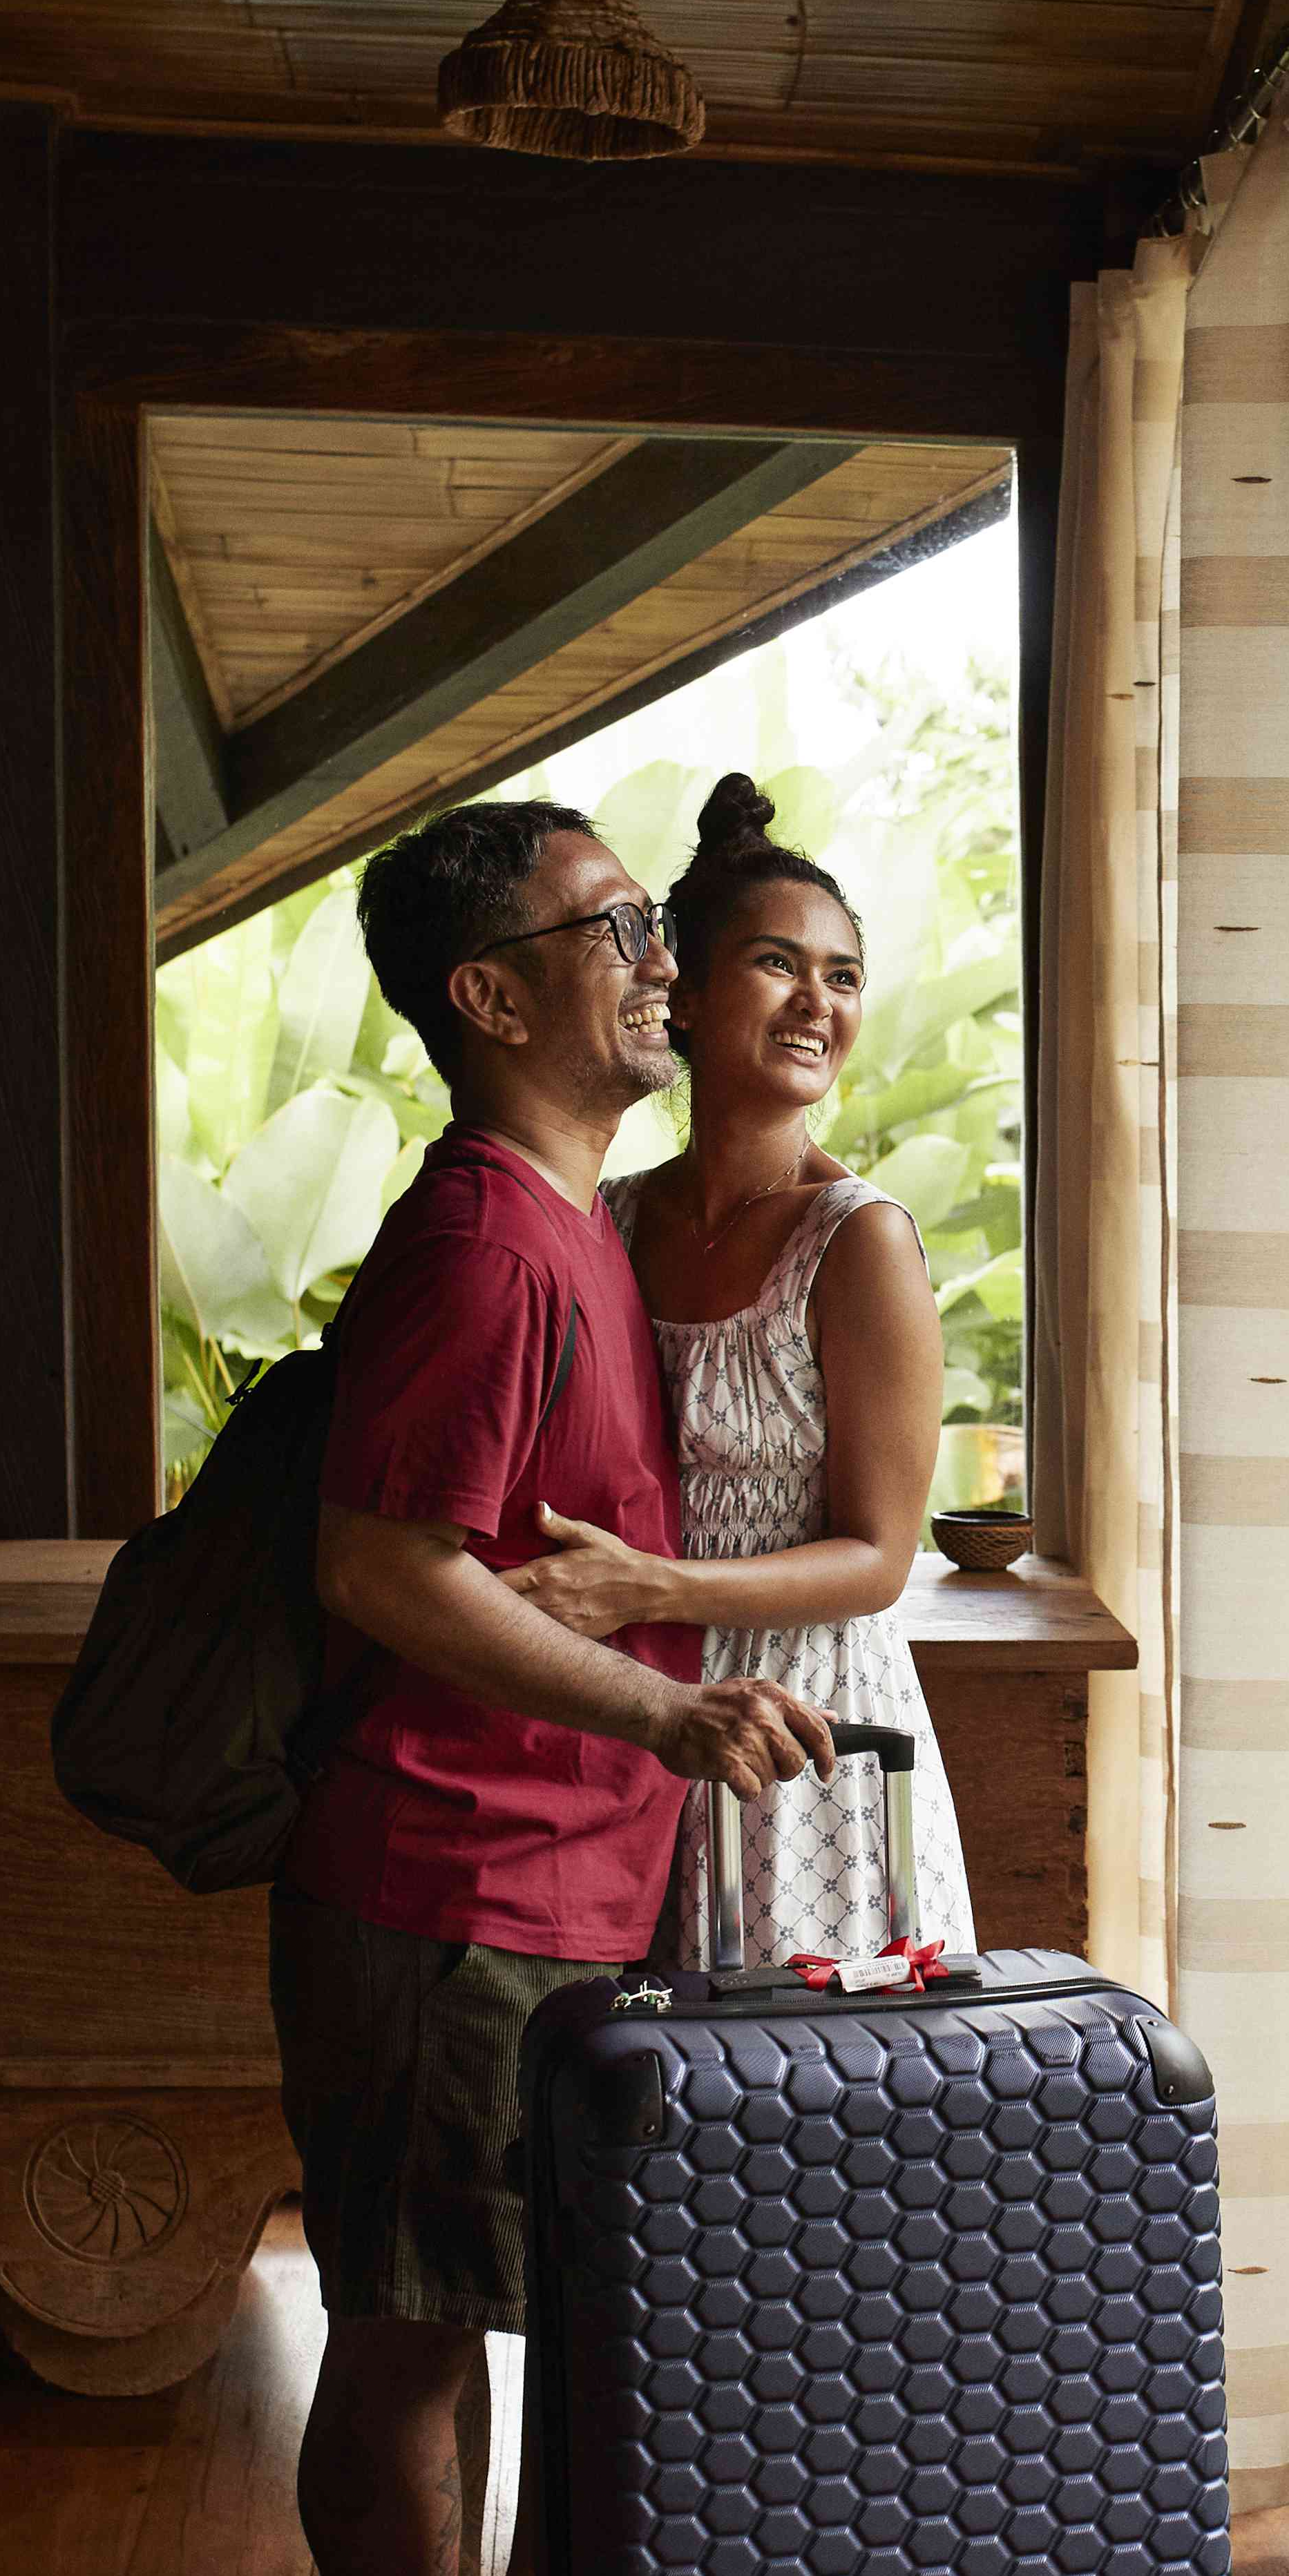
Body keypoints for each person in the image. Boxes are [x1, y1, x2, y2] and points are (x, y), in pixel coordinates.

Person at [281, 796, 834, 2576]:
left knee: (458, 2326)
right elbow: (380, 1561)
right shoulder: (489, 1244)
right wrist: (664, 1709)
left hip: (537, 1883)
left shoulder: (573, 1218)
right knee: (405, 2344)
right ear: (492, 992)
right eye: (616, 928)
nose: (658, 957)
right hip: (450, 1882)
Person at [502, 773, 978, 1970]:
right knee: (635, 2103)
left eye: (845, 974)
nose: (819, 1000)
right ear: (690, 993)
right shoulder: (604, 1218)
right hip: (626, 1721)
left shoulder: (858, 1241)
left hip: (809, 1742)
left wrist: (648, 1589)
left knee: (800, 2121)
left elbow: (876, 1561)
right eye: (780, 964)